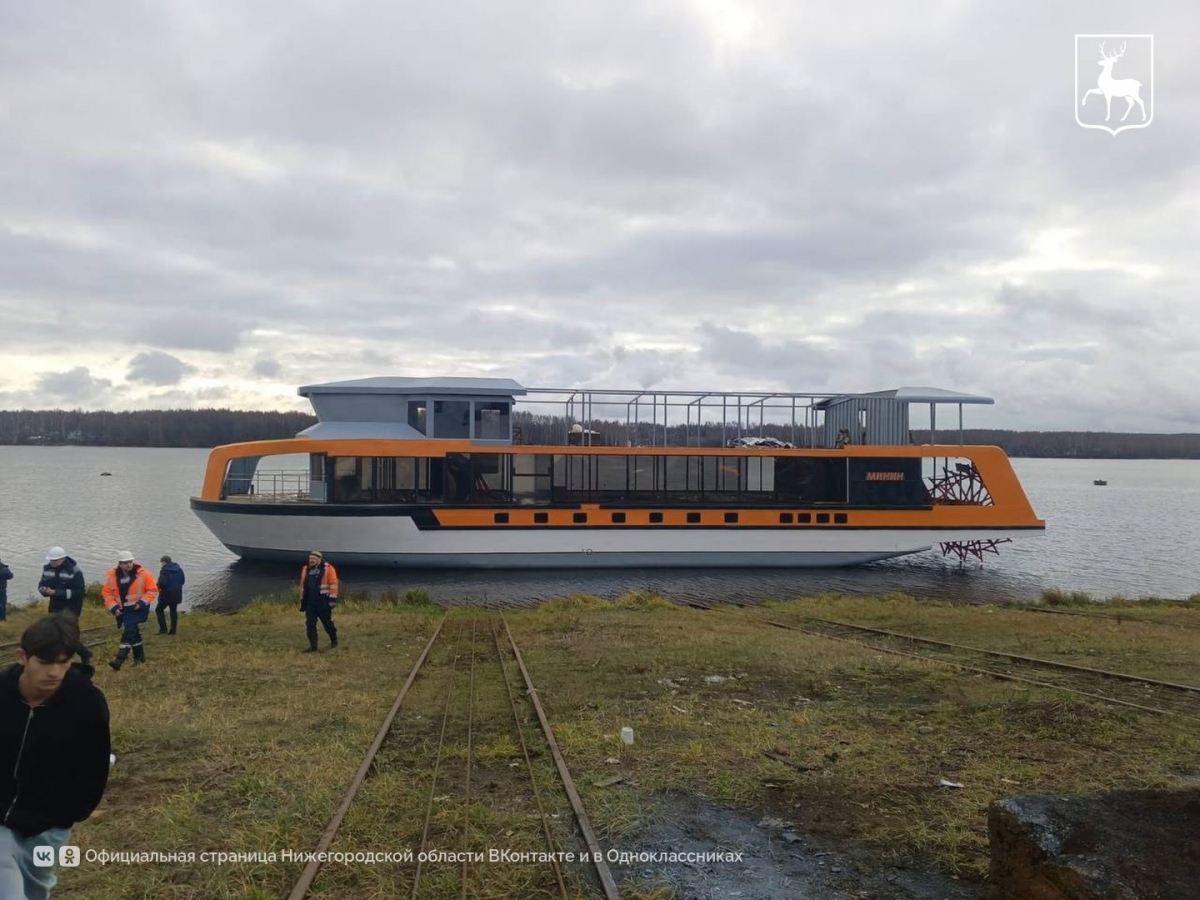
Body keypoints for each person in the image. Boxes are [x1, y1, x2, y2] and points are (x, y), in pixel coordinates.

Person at [0, 614, 111, 900]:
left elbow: (94, 766)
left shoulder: (86, 702)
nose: (55, 672)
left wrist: (68, 815)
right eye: (46, 662)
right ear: (22, 657)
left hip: (49, 826)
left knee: (37, 889)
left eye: (63, 662)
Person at [37, 548, 93, 670]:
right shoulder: (47, 569)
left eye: (55, 560)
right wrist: (43, 591)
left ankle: (83, 654)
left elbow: (79, 592)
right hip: (54, 606)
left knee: (68, 634)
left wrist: (57, 593)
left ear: (63, 559)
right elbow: (41, 584)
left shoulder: (75, 571)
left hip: (71, 608)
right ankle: (56, 658)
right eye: (51, 560)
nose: (52, 562)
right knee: (53, 632)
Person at [101, 552, 158, 670]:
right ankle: (140, 658)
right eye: (125, 563)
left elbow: (152, 591)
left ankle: (119, 660)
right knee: (134, 633)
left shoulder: (144, 575)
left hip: (137, 608)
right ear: (120, 564)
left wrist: (141, 603)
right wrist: (114, 608)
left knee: (129, 632)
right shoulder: (112, 576)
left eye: (130, 562)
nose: (128, 565)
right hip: (123, 609)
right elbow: (107, 594)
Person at [299, 550, 338, 652]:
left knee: (327, 623)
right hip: (310, 602)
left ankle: (334, 640)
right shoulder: (306, 569)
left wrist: (332, 600)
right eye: (310, 559)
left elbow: (333, 584)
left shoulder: (328, 569)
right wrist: (303, 600)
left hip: (323, 601)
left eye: (313, 559)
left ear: (319, 560)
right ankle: (313, 646)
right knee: (310, 624)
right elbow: (303, 585)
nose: (311, 561)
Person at [155, 555, 185, 636]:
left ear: (164, 562)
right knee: (173, 611)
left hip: (166, 594)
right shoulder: (179, 569)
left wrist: (157, 586)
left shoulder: (164, 570)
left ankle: (163, 629)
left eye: (161, 563)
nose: (161, 565)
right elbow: (182, 581)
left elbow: (162, 583)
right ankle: (173, 631)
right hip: (176, 594)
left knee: (159, 610)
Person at [0, 557, 11, 622]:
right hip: (2, 589)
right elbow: (10, 576)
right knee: (2, 604)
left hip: (2, 589)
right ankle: (2, 619)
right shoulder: (3, 568)